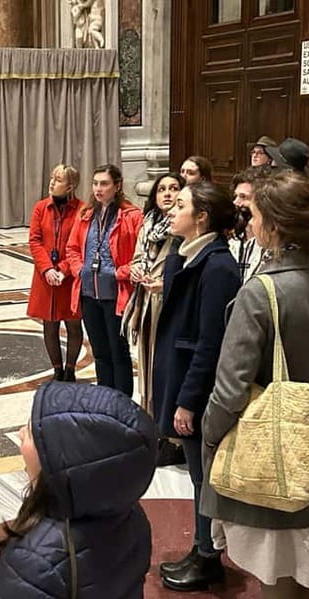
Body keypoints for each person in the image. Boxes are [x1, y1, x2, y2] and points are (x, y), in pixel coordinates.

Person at [201, 171, 309, 599]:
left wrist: (211, 439)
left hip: (268, 448)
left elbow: (230, 388)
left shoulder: (261, 291)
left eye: (254, 215)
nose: (248, 224)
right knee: (307, 575)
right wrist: (308, 404)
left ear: (275, 225)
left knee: (277, 580)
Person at [0, 382, 158, 599]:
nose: (20, 434)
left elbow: (41, 571)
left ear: (61, 463)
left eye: (30, 432)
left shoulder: (34, 561)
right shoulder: (130, 513)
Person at [152, 181, 241, 591]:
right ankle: (202, 547)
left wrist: (187, 402)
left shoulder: (218, 266)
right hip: (182, 377)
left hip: (198, 390)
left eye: (181, 204)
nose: (171, 208)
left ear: (202, 217)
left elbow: (211, 343)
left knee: (204, 477)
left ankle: (208, 557)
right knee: (197, 475)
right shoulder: (188, 255)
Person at [123, 172, 185, 466]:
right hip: (146, 300)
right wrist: (136, 269)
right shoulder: (148, 224)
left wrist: (167, 283)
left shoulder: (183, 228)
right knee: (147, 365)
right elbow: (138, 256)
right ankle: (152, 425)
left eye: (174, 189)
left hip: (168, 301)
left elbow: (187, 267)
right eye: (162, 189)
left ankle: (173, 437)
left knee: (165, 366)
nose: (168, 194)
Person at [66, 164, 143, 397]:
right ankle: (104, 399)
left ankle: (121, 402)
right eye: (95, 183)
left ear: (117, 186)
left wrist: (119, 272)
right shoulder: (86, 214)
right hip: (89, 293)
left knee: (118, 352)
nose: (98, 189)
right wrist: (80, 270)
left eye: (104, 184)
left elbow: (142, 256)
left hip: (115, 295)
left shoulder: (132, 216)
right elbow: (72, 249)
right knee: (99, 352)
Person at [27, 164, 83, 382]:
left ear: (70, 186)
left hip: (69, 278)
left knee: (73, 323)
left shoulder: (82, 210)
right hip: (45, 276)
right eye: (52, 177)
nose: (52, 182)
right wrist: (48, 268)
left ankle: (70, 370)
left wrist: (63, 269)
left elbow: (80, 244)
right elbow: (35, 240)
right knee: (49, 324)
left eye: (58, 179)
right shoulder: (41, 208)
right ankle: (57, 370)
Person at [230, 166, 270, 284]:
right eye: (236, 196)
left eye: (243, 197)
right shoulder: (233, 237)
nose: (236, 203)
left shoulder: (271, 242)